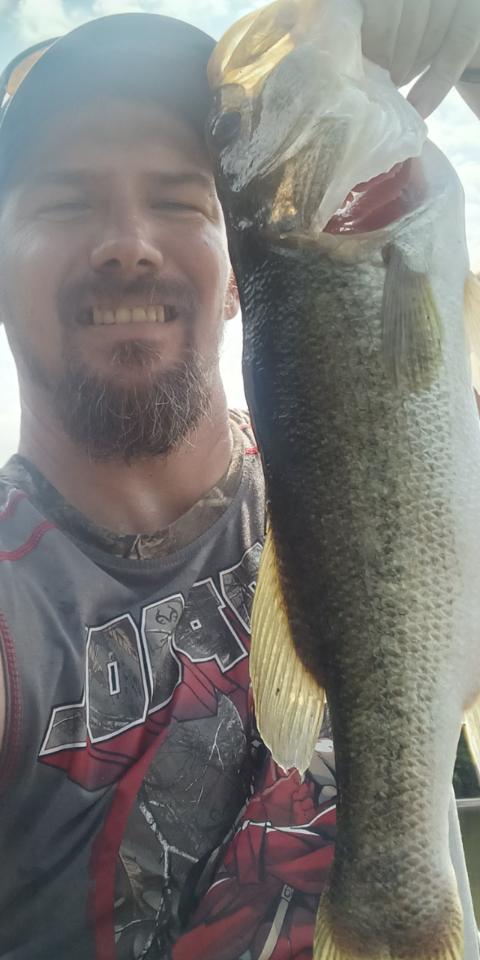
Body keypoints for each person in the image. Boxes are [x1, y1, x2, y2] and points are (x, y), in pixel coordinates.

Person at [0, 6, 478, 960]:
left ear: (233, 277)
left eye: (182, 199)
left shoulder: (396, 468)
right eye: (64, 202)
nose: (128, 242)